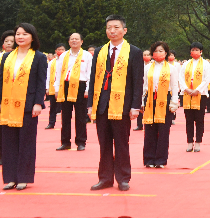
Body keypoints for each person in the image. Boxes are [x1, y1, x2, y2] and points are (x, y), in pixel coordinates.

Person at [88, 15, 144, 191]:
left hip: (123, 105)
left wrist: (135, 106)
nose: (112, 31)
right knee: (104, 143)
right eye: (109, 28)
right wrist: (90, 104)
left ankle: (123, 178)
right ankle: (104, 178)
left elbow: (137, 81)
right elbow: (92, 79)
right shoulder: (99, 51)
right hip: (102, 103)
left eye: (116, 27)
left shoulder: (134, 52)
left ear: (124, 30)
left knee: (121, 143)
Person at [0, 24, 47, 190]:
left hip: (28, 105)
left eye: (25, 34)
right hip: (8, 105)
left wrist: (38, 103)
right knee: (8, 143)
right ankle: (10, 178)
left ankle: (23, 177)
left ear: (32, 37)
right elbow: (0, 82)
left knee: (26, 143)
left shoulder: (39, 57)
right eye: (18, 34)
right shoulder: (6, 57)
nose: (20, 37)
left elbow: (41, 82)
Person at [142, 41, 179, 168]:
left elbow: (174, 86)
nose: (158, 53)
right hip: (150, 98)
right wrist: (142, 101)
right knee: (149, 129)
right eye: (156, 51)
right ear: (152, 53)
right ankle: (149, 159)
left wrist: (174, 102)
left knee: (163, 131)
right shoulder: (147, 67)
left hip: (165, 98)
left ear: (166, 53)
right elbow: (144, 86)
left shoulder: (172, 68)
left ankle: (161, 160)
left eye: (161, 51)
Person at [54, 33, 92, 151]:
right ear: (69, 42)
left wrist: (87, 90)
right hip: (65, 86)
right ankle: (65, 142)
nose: (74, 41)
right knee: (65, 116)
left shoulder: (87, 55)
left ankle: (81, 142)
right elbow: (58, 73)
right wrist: (56, 89)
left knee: (81, 116)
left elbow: (90, 73)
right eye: (72, 39)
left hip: (81, 86)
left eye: (76, 39)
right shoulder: (64, 55)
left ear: (81, 41)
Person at [180, 42, 210, 152]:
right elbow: (181, 77)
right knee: (189, 120)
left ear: (201, 51)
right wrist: (186, 89)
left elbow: (207, 79)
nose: (195, 51)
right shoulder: (186, 64)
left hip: (200, 94)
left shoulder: (206, 64)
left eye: (197, 50)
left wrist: (198, 90)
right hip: (188, 94)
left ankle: (198, 142)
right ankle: (189, 142)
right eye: (193, 50)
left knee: (199, 119)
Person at [0, 30, 15, 166]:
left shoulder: (19, 58)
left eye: (11, 42)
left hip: (13, 99)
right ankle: (3, 156)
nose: (9, 44)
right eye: (6, 41)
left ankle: (13, 156)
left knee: (11, 130)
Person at [44, 43, 65, 129]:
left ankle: (65, 125)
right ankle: (51, 123)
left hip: (64, 87)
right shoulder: (52, 62)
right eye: (59, 49)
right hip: (53, 87)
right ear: (55, 51)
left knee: (65, 108)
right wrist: (47, 87)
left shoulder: (67, 60)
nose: (60, 51)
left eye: (62, 49)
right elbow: (48, 75)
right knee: (53, 107)